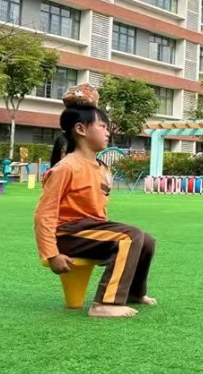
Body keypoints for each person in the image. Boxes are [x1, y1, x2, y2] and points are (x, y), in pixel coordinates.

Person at [34, 84, 157, 319]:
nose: (107, 132)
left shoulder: (101, 168)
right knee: (130, 236)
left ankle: (133, 293)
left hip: (90, 231)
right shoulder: (66, 167)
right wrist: (51, 254)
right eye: (102, 126)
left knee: (147, 240)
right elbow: (44, 214)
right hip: (68, 234)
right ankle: (104, 303)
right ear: (81, 129)